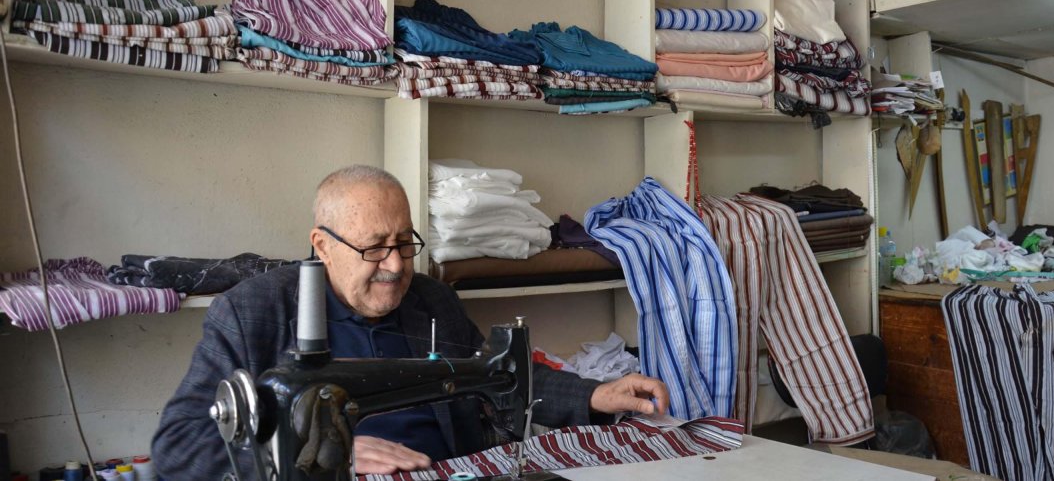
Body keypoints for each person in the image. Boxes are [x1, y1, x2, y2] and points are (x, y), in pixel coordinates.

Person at [152, 165, 669, 479]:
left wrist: (593, 394)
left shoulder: (433, 301)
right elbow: (179, 447)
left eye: (404, 242)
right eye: (375, 248)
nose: (398, 266)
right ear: (322, 246)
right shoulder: (251, 314)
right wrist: (322, 457)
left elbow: (501, 377)